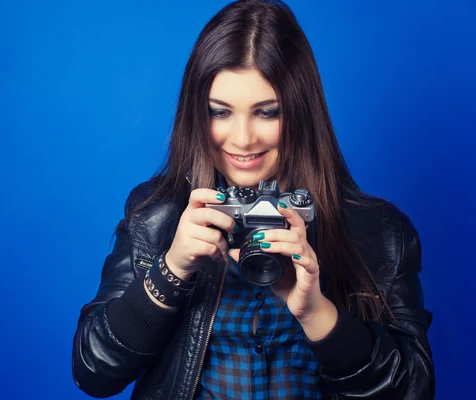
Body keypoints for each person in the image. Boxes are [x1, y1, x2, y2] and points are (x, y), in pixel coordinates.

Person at [72, 0, 435, 398]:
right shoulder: (157, 216)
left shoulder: (379, 231)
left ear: (301, 111)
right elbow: (93, 372)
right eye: (220, 112)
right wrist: (172, 269)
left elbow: (414, 390)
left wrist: (317, 312)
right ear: (197, 113)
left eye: (267, 113)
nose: (243, 139)